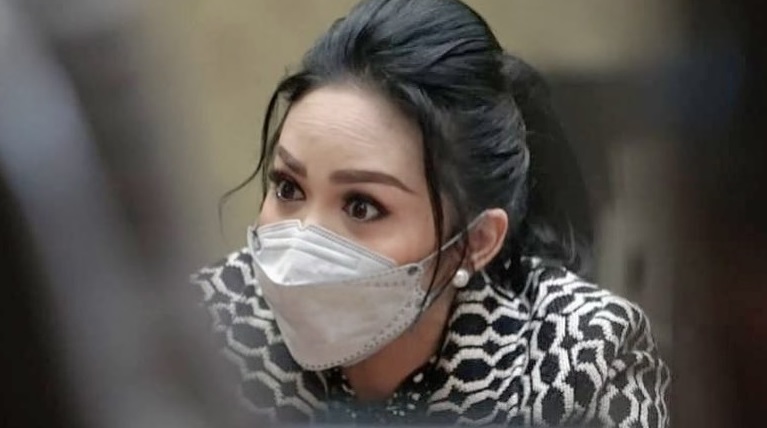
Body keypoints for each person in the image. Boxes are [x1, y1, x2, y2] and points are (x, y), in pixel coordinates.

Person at [191, 0, 670, 425]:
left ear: (475, 242)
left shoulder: (580, 361)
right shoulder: (210, 331)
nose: (303, 241)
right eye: (288, 187)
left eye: (361, 206)